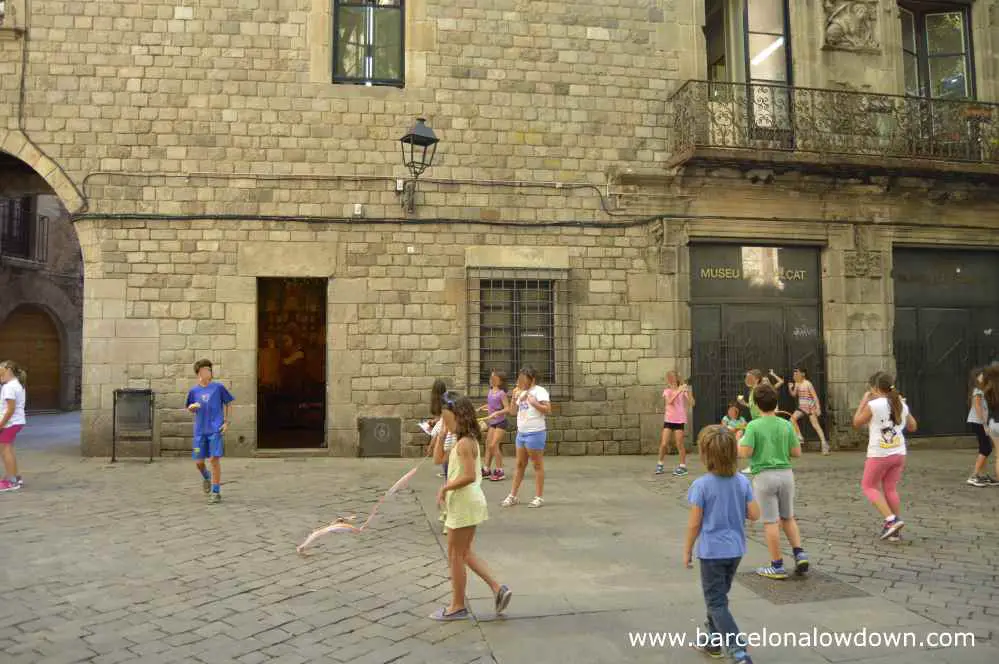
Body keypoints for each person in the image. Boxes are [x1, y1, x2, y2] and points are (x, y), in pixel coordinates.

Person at [432, 394, 512, 621]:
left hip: (465, 502)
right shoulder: (461, 440)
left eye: (448, 421)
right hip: (467, 502)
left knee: (456, 554)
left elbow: (467, 475)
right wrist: (441, 434)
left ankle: (457, 605)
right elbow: (438, 459)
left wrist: (445, 487)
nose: (446, 424)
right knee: (463, 553)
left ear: (459, 417)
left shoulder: (465, 443)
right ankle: (498, 589)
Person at [685, 425, 760, 664]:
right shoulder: (742, 482)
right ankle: (713, 643)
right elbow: (755, 514)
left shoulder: (701, 485)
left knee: (716, 601)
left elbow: (694, 523)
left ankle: (738, 652)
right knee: (718, 597)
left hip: (711, 552)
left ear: (706, 455)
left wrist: (687, 549)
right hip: (735, 550)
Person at [738, 383, 809, 579]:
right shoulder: (786, 424)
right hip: (786, 474)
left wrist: (739, 444)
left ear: (757, 405)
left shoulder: (753, 426)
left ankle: (777, 564)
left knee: (770, 521)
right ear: (776, 402)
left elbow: (746, 452)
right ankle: (799, 553)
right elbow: (796, 452)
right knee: (788, 517)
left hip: (764, 476)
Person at [852, 372, 917, 540]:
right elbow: (913, 426)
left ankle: (891, 520)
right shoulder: (900, 402)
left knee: (869, 486)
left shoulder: (875, 404)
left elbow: (857, 422)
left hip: (879, 453)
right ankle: (895, 531)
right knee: (890, 488)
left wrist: (864, 401)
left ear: (874, 388)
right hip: (899, 452)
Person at [186, 359, 234, 504]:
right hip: (200, 432)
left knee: (214, 460)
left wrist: (226, 422)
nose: (208, 372)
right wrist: (192, 407)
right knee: (199, 462)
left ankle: (216, 491)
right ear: (198, 373)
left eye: (210, 369)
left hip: (215, 430)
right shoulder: (194, 391)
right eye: (205, 369)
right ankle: (206, 477)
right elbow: (189, 407)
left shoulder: (218, 388)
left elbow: (229, 403)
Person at [501, 367, 551, 509]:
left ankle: (538, 497)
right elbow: (512, 412)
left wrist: (535, 403)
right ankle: (513, 495)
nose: (520, 381)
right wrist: (513, 398)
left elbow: (548, 409)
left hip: (535, 433)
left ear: (532, 379)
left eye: (523, 378)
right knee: (519, 465)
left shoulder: (539, 391)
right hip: (521, 433)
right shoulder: (521, 392)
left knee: (537, 465)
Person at [657, 370, 694, 477]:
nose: (671, 379)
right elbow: (669, 402)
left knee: (679, 444)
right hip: (669, 420)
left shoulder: (683, 390)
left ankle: (683, 466)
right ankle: (660, 463)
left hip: (679, 420)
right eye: (669, 378)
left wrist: (688, 392)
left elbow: (692, 403)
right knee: (664, 443)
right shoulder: (667, 391)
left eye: (673, 377)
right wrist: (678, 391)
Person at [789, 368, 830, 455]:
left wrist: (818, 408)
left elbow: (815, 396)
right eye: (794, 373)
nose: (795, 375)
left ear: (803, 374)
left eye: (797, 373)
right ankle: (799, 436)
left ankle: (824, 444)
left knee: (816, 426)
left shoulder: (808, 384)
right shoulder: (797, 383)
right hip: (802, 407)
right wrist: (790, 388)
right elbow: (793, 394)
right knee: (792, 419)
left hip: (810, 407)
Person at [0, 360, 27, 492]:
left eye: (1, 373)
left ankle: (11, 481)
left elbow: (10, 409)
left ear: (9, 371)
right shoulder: (17, 384)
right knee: (8, 449)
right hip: (17, 421)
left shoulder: (9, 387)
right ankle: (16, 477)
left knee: (5, 450)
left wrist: (1, 424)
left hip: (10, 423)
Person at [966, 367, 996, 487]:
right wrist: (984, 424)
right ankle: (975, 475)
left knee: (985, 447)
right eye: (982, 375)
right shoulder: (978, 391)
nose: (984, 377)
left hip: (978, 422)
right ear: (977, 377)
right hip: (978, 422)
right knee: (986, 448)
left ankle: (982, 475)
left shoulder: (981, 390)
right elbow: (977, 407)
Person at [478, 370, 510, 481]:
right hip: (492, 423)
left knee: (494, 445)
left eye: (494, 378)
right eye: (491, 377)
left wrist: (497, 413)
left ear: (500, 381)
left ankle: (500, 471)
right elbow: (491, 404)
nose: (491, 379)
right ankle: (486, 469)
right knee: (488, 445)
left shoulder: (502, 393)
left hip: (501, 422)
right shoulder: (491, 391)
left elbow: (507, 408)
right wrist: (482, 407)